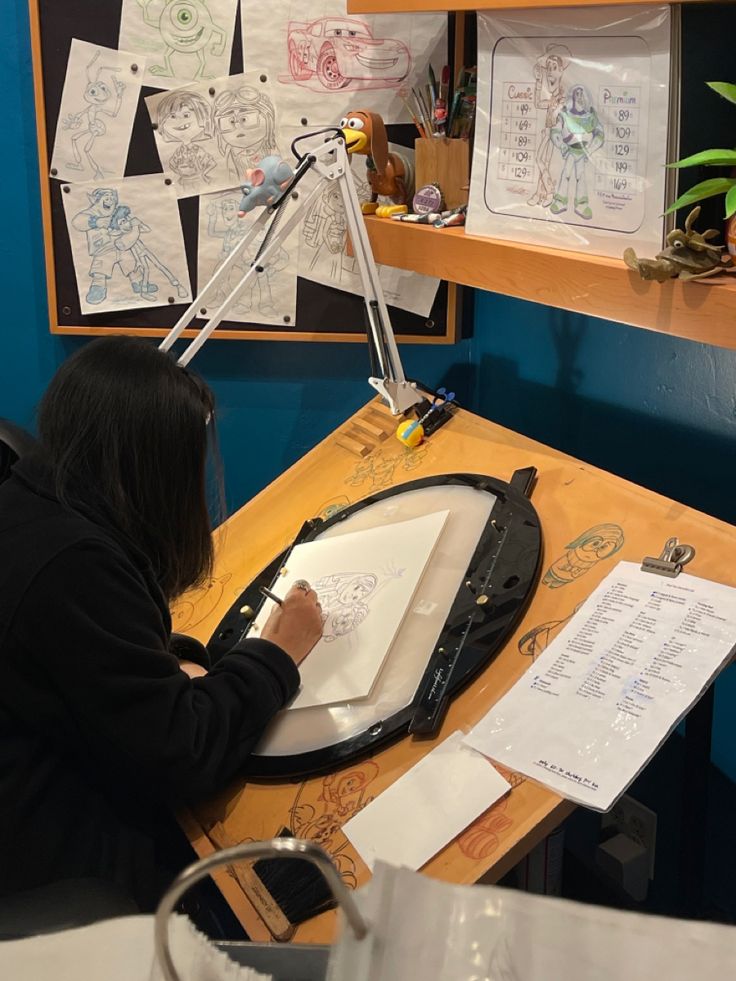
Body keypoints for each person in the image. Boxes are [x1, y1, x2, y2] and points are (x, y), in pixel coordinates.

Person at [0, 336, 323, 913]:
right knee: (299, 883)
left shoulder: (31, 501)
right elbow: (183, 756)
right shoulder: (74, 564)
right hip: (53, 869)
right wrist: (277, 653)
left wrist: (171, 655)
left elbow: (82, 648)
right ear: (151, 466)